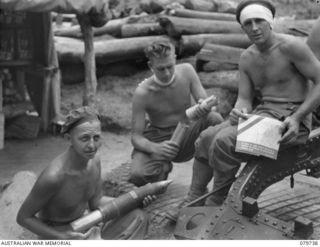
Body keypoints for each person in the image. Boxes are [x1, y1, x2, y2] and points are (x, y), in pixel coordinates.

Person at [181, 0, 320, 207]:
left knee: (224, 141)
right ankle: (194, 197)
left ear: (270, 22)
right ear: (242, 27)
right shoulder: (247, 57)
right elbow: (244, 98)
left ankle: (217, 202)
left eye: (259, 21)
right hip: (263, 114)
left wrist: (298, 117)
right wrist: (239, 111)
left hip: (292, 122)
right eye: (248, 23)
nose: (254, 28)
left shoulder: (291, 47)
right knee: (206, 137)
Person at [16, 106, 154, 240]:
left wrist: (133, 200)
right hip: (57, 235)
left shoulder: (94, 160)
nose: (92, 145)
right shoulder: (54, 177)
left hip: (85, 223)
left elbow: (96, 202)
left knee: (138, 216)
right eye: (84, 138)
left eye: (96, 138)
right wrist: (62, 237)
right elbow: (23, 218)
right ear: (68, 139)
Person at [129, 40, 223, 186]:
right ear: (150, 66)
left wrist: (205, 106)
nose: (166, 73)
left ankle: (207, 183)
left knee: (214, 119)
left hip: (187, 131)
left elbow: (207, 104)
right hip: (159, 137)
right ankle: (164, 167)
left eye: (170, 66)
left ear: (175, 59)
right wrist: (156, 148)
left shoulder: (187, 71)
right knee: (138, 176)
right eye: (161, 69)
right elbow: (136, 137)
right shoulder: (142, 93)